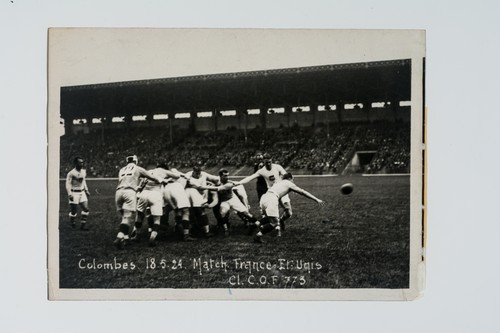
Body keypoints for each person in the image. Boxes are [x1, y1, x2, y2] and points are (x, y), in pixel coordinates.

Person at [238, 172, 324, 243]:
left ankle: (255, 224)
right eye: (293, 179)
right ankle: (258, 236)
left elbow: (279, 197)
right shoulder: (289, 183)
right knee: (275, 222)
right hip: (272, 198)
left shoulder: (278, 183)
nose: (293, 181)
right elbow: (303, 192)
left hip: (264, 197)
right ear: (290, 178)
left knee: (269, 218)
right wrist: (316, 199)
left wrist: (283, 207)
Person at [113, 155, 164, 249]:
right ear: (135, 161)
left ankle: (126, 238)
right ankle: (119, 237)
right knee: (128, 218)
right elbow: (151, 177)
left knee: (124, 218)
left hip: (118, 192)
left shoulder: (121, 170)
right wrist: (160, 179)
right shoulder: (138, 168)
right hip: (129, 192)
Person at [237, 153, 293, 232]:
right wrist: (239, 183)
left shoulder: (277, 167)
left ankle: (281, 220)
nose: (268, 164)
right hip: (272, 193)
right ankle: (268, 227)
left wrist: (289, 182)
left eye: (269, 162)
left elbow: (286, 175)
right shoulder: (262, 171)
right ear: (264, 161)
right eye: (266, 162)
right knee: (271, 214)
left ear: (272, 160)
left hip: (282, 190)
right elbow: (250, 177)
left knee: (289, 212)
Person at [133, 162, 182, 247]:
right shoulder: (164, 171)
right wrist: (169, 177)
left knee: (140, 215)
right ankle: (152, 238)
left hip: (144, 193)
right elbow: (177, 176)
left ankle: (137, 235)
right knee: (157, 219)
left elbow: (141, 184)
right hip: (155, 194)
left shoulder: (149, 171)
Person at [212, 169, 260, 236]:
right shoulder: (216, 182)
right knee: (222, 213)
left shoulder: (229, 182)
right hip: (224, 201)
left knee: (245, 212)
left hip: (233, 199)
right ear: (220, 176)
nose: (227, 177)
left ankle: (258, 223)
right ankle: (226, 229)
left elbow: (222, 188)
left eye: (227, 175)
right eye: (225, 176)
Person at [184, 163, 219, 238]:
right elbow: (199, 187)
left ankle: (205, 231)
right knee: (193, 212)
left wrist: (215, 183)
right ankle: (196, 230)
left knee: (200, 212)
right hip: (191, 195)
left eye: (199, 172)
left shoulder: (204, 174)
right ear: (193, 171)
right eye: (196, 172)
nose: (198, 174)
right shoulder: (187, 175)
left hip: (201, 196)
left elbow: (215, 179)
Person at [162, 168, 196, 242]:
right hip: (177, 187)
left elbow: (167, 197)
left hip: (166, 188)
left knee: (176, 211)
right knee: (185, 211)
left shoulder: (164, 174)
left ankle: (177, 228)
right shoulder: (181, 177)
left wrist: (173, 207)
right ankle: (186, 235)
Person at [65, 157, 91, 230]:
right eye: (80, 162)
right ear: (75, 163)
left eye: (82, 162)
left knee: (86, 209)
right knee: (74, 211)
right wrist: (69, 194)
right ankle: (73, 224)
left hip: (82, 192)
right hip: (74, 193)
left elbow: (83, 181)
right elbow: (68, 184)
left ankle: (83, 226)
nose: (82, 164)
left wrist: (86, 190)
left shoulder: (83, 171)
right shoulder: (71, 173)